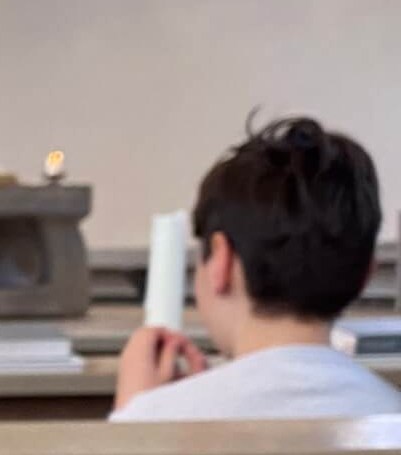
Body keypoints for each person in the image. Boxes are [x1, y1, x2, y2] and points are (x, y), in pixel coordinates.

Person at [114, 117, 400, 420]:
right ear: (365, 275)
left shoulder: (151, 417)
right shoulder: (392, 415)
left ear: (220, 261)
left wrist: (134, 412)